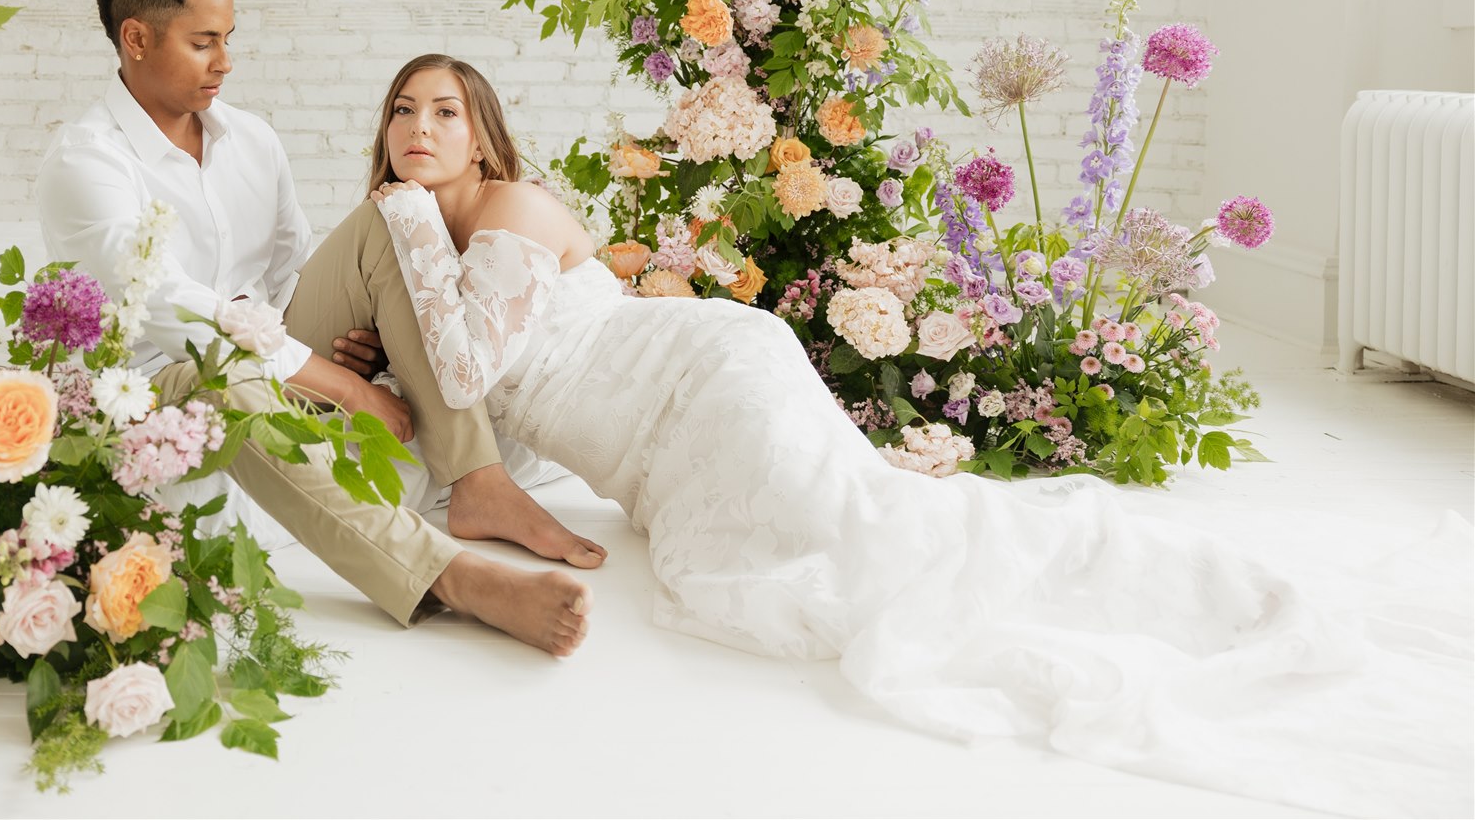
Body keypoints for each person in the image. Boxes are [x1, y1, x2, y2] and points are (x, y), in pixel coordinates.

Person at [362, 52, 1472, 816]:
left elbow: (463, 367)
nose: (419, 129)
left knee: (874, 546)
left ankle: (1178, 588)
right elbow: (498, 400)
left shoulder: (499, 214)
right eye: (402, 112)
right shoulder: (441, 253)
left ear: (482, 134)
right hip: (655, 449)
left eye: (443, 112)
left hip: (703, 377)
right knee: (848, 540)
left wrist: (403, 220)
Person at [35, 0, 598, 657]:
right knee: (229, 379)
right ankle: (452, 578)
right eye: (203, 42)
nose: (225, 61)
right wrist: (340, 383)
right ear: (136, 38)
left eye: (229, 39)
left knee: (392, 212)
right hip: (153, 381)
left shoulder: (252, 140)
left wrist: (355, 335)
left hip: (270, 341)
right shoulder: (88, 160)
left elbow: (292, 266)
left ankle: (478, 478)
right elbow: (169, 312)